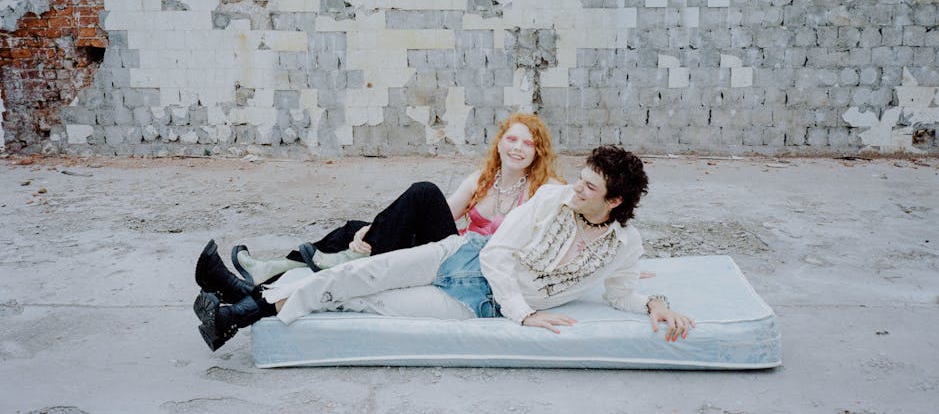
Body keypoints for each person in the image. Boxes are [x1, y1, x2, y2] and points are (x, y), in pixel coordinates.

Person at [193, 146, 695, 351]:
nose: (576, 189)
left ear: (615, 201)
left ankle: (240, 303)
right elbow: (497, 253)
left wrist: (656, 305)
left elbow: (620, 292)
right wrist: (524, 314)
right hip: (462, 256)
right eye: (580, 180)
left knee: (368, 300)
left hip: (477, 302)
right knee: (359, 275)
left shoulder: (625, 245)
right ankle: (235, 313)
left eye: (589, 188)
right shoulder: (549, 198)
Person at [194, 113, 564, 301]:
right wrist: (372, 227)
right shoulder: (480, 179)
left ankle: (331, 258)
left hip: (471, 265)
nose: (517, 147)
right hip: (449, 245)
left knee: (423, 191)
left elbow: (571, 213)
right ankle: (268, 270)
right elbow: (442, 219)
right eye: (511, 139)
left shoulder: (544, 189)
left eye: (527, 143)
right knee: (353, 228)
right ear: (500, 143)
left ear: (537, 152)